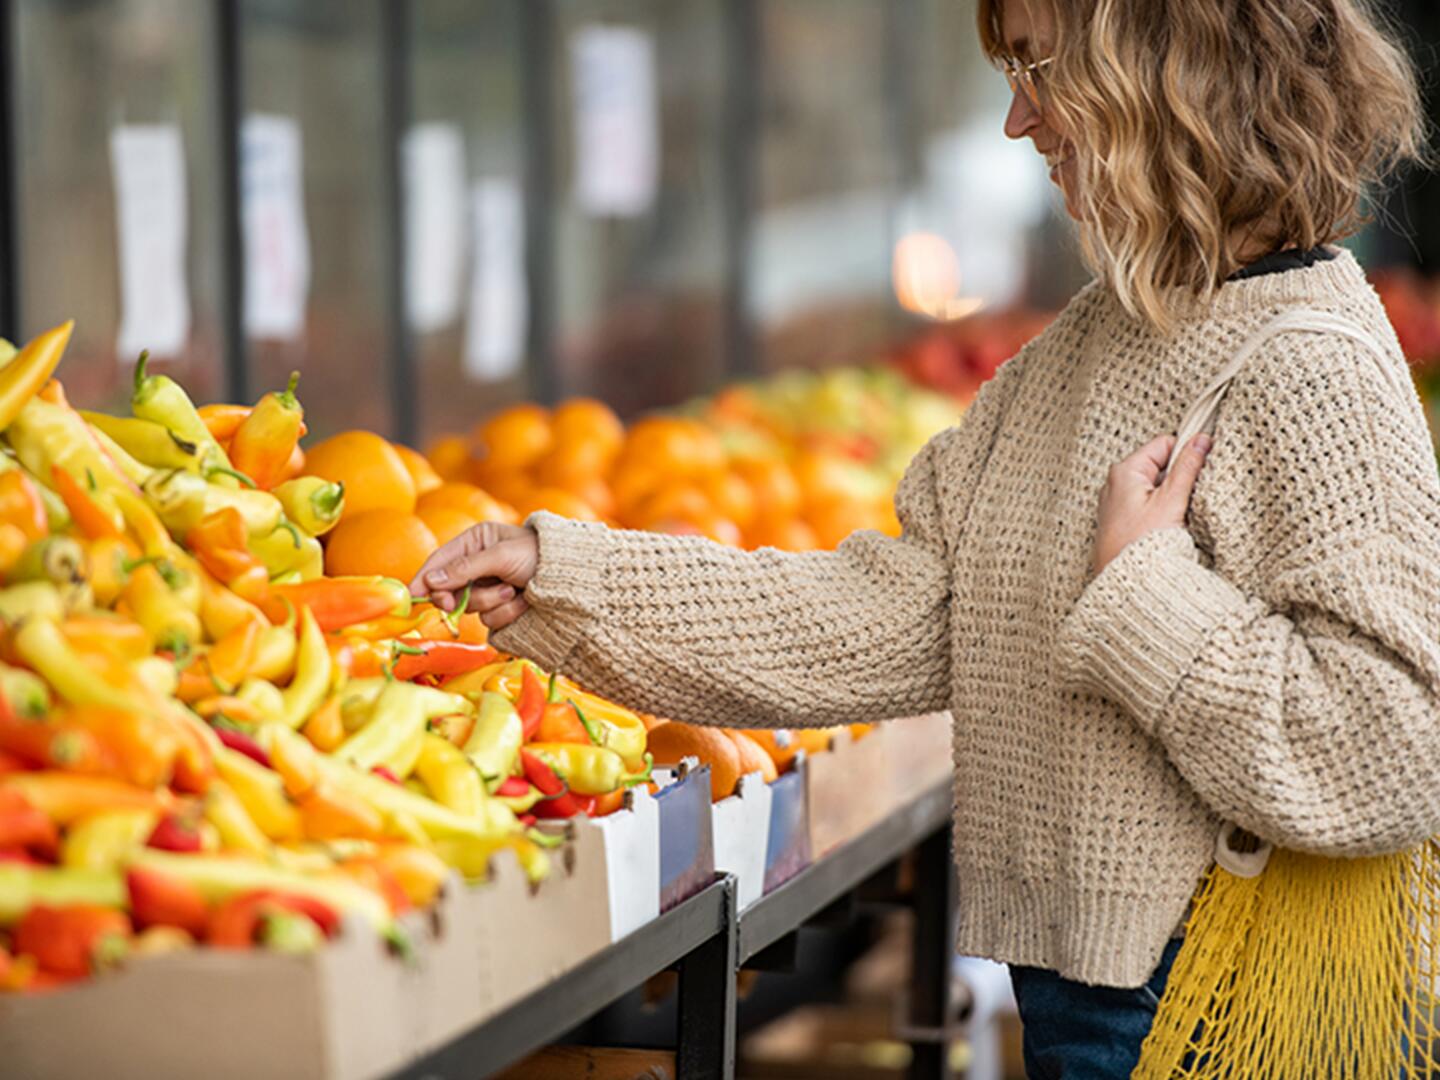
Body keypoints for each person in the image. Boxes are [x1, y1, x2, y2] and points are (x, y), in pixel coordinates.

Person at [413, 0, 1439, 1074]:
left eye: (1040, 73)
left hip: (1215, 1014)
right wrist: (567, 578)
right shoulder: (1091, 346)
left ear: (1163, 80)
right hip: (1092, 1002)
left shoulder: (1311, 369)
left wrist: (1145, 593)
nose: (1017, 122)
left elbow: (1392, 745)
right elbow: (895, 610)